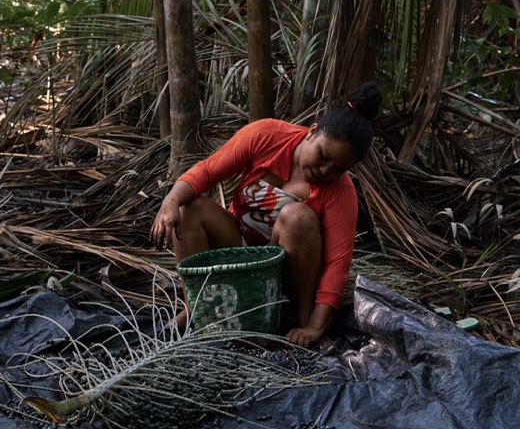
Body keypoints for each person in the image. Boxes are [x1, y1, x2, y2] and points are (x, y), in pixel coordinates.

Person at [149, 83, 383, 347]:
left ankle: (298, 318)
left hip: (288, 274)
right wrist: (169, 201)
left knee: (295, 215)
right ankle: (199, 306)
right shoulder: (267, 135)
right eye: (323, 155)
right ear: (312, 132)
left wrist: (315, 327)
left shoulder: (341, 192)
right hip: (239, 249)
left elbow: (336, 266)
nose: (323, 171)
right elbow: (206, 172)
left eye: (337, 169)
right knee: (186, 207)